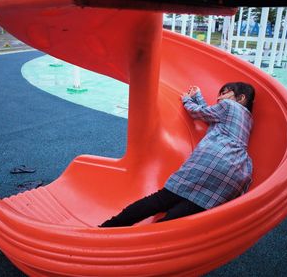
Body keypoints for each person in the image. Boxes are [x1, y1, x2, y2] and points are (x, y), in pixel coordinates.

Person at [100, 82, 255, 227]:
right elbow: (211, 116)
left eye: (224, 94)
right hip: (236, 174)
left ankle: (108, 228)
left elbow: (198, 113)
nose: (219, 98)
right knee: (179, 217)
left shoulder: (228, 106)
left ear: (241, 98)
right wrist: (198, 96)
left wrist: (188, 100)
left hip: (214, 160)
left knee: (161, 200)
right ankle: (151, 242)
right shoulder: (247, 120)